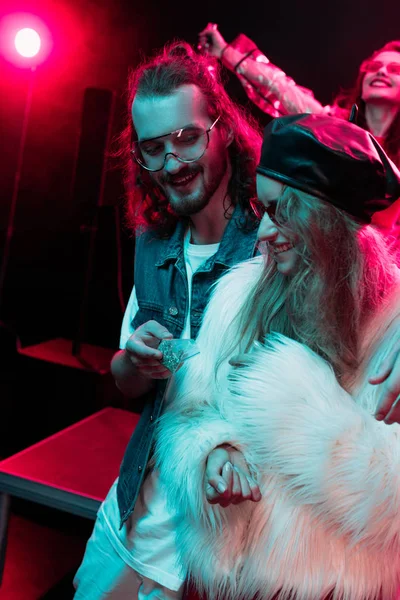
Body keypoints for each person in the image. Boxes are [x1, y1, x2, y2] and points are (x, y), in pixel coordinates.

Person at [153, 113, 400, 600]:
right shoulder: (240, 294)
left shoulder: (394, 329)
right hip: (216, 582)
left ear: (326, 220)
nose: (263, 232)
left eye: (280, 211)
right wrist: (212, 455)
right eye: (260, 209)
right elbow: (192, 412)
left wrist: (292, 393)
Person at [72, 39, 263, 599]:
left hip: (209, 559)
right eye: (152, 149)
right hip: (125, 526)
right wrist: (131, 358)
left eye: (186, 138)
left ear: (222, 128)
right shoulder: (153, 248)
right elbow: (127, 384)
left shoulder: (271, 253)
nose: (171, 163)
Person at [198, 24, 400, 240]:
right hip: (320, 247)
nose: (380, 71)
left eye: (394, 69)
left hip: (382, 261)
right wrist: (225, 51)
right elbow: (278, 86)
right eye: (374, 66)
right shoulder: (332, 127)